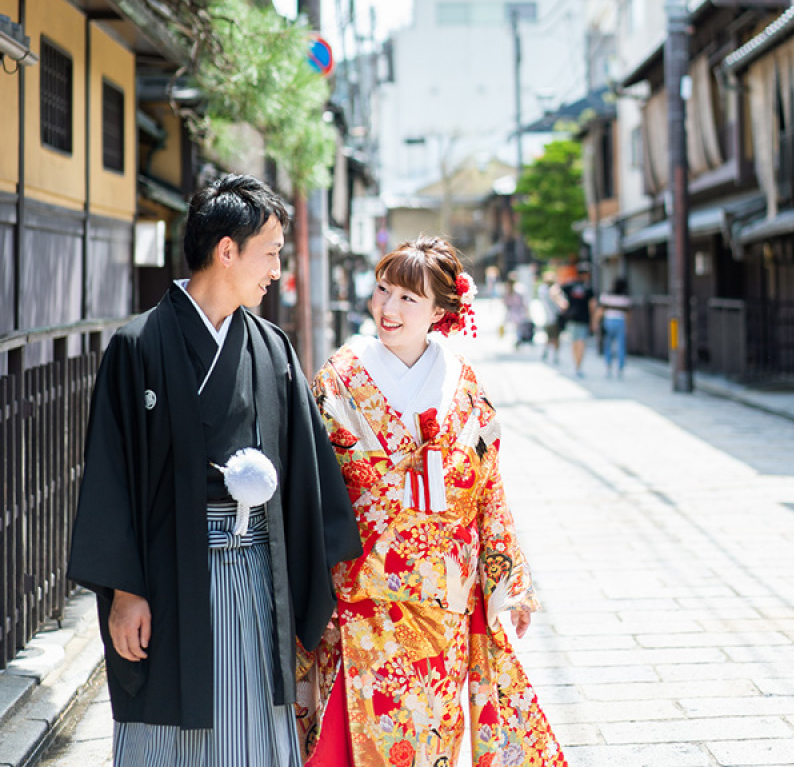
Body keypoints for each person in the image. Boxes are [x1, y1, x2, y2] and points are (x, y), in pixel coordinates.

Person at [68, 174, 362, 767]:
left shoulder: (271, 347)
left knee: (253, 720)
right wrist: (126, 590)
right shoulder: (139, 345)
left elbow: (308, 475)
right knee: (170, 725)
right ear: (226, 250)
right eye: (270, 252)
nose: (276, 269)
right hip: (167, 577)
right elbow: (110, 476)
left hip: (256, 572)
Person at [297, 236, 568, 767]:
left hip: (444, 597)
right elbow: (312, 485)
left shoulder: (463, 382)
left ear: (440, 310)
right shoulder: (340, 376)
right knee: (354, 733)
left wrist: (506, 578)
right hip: (360, 591)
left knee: (432, 735)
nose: (388, 308)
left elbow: (487, 484)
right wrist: (311, 582)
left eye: (407, 298)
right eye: (382, 291)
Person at [560, 263, 595, 377]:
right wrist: (593, 322)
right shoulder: (588, 288)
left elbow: (555, 290)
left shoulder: (570, 285)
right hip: (583, 319)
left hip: (571, 318)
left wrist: (562, 304)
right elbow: (592, 306)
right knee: (581, 343)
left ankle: (576, 364)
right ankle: (578, 366)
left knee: (574, 343)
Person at [597, 276, 631, 377]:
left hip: (609, 321)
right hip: (620, 322)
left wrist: (596, 322)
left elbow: (601, 310)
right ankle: (620, 368)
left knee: (608, 344)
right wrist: (628, 325)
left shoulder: (606, 295)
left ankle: (608, 366)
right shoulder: (625, 297)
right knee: (621, 345)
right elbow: (628, 314)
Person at [537, 270, 565, 363]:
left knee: (550, 337)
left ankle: (546, 352)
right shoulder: (551, 290)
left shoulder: (542, 289)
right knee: (555, 337)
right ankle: (555, 355)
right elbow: (561, 303)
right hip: (553, 317)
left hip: (548, 317)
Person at [503, 277, 532, 346]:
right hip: (514, 313)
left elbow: (524, 303)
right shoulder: (507, 293)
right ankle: (517, 339)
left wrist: (527, 312)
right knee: (516, 327)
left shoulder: (517, 293)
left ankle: (518, 339)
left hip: (518, 312)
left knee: (518, 327)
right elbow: (506, 305)